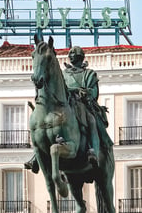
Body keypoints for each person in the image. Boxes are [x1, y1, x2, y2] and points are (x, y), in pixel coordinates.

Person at [25, 45, 112, 173]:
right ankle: (37, 156)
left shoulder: (89, 73)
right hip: (66, 103)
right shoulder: (64, 73)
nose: (71, 56)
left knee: (91, 121)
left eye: (74, 54)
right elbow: (59, 88)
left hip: (83, 103)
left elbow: (94, 92)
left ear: (81, 57)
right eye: (70, 54)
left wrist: (86, 92)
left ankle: (93, 151)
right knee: (42, 123)